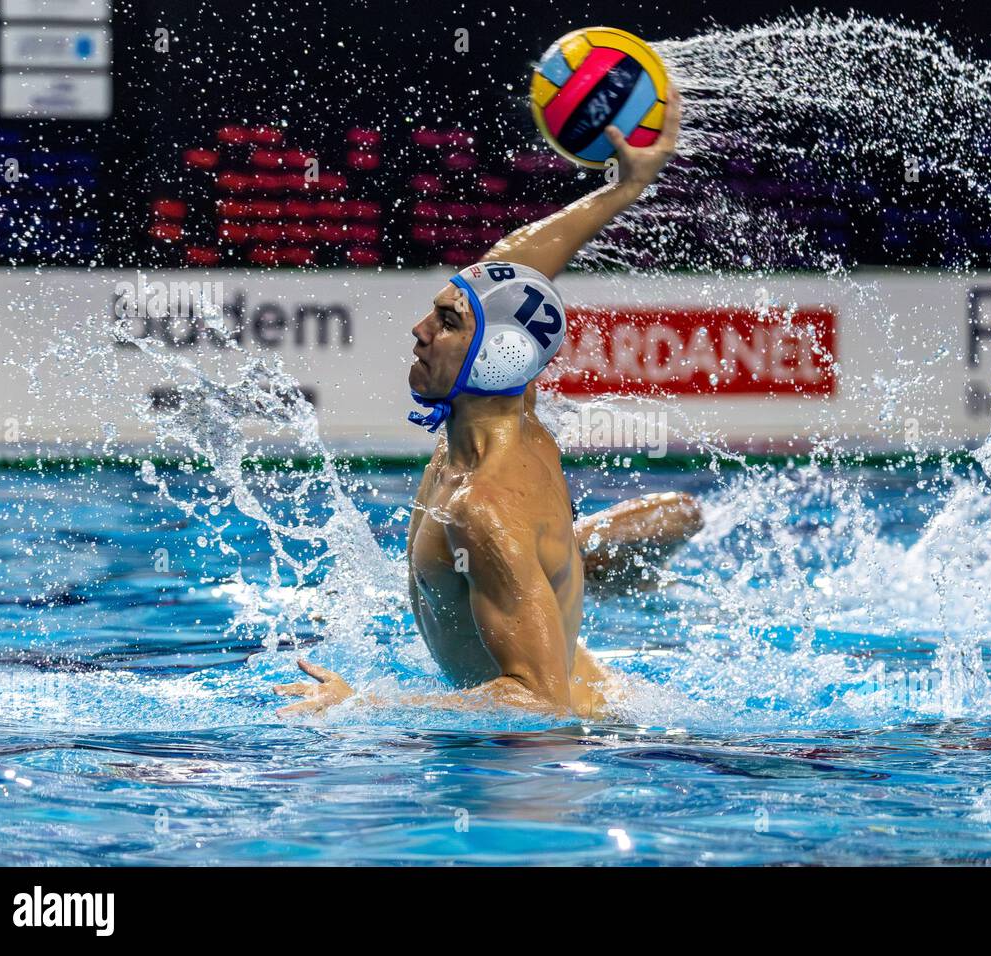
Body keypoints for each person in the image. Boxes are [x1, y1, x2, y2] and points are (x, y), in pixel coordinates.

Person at [274, 86, 701, 720]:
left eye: (446, 322)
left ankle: (571, 563)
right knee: (660, 518)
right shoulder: (494, 410)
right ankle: (575, 561)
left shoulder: (485, 509)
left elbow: (539, 701)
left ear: (497, 358)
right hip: (584, 689)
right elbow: (511, 269)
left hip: (559, 752)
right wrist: (621, 190)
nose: (419, 330)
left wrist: (363, 705)